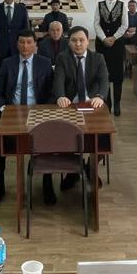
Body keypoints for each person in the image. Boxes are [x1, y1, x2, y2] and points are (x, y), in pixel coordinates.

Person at [0, 31, 54, 206]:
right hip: (13, 112)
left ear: (35, 45)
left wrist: (43, 110)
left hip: (38, 111)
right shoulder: (7, 63)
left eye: (29, 42)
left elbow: (51, 93)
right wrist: (2, 109)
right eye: (22, 42)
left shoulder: (45, 63)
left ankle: (47, 181)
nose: (25, 46)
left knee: (50, 134)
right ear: (17, 44)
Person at [51, 26, 110, 194]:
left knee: (104, 137)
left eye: (81, 40)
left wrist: (100, 96)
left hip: (92, 104)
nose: (78, 44)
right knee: (66, 134)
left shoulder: (98, 58)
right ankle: (73, 171)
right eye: (74, 40)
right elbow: (58, 80)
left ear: (88, 41)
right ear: (68, 42)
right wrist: (60, 96)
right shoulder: (63, 58)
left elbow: (104, 80)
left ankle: (91, 166)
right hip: (71, 105)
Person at [93, 0, 128, 115]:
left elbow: (124, 25)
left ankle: (117, 104)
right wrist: (104, 38)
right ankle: (107, 103)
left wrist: (113, 37)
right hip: (102, 44)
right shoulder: (99, 5)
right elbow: (96, 24)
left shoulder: (122, 5)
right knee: (103, 74)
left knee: (118, 74)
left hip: (117, 43)